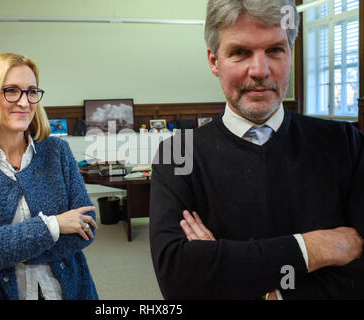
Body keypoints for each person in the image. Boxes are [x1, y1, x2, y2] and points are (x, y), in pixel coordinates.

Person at [150, 0, 364, 299]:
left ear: (290, 55)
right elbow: (179, 279)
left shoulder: (344, 143)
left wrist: (237, 273)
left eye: (275, 50)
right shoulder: (179, 154)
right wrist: (312, 248)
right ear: (214, 61)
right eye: (240, 52)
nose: (260, 71)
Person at [0, 53, 99, 300]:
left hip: (70, 291)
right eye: (12, 91)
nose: (24, 102)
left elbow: (86, 224)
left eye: (31, 91)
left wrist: (1, 240)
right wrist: (55, 225)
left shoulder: (57, 152)